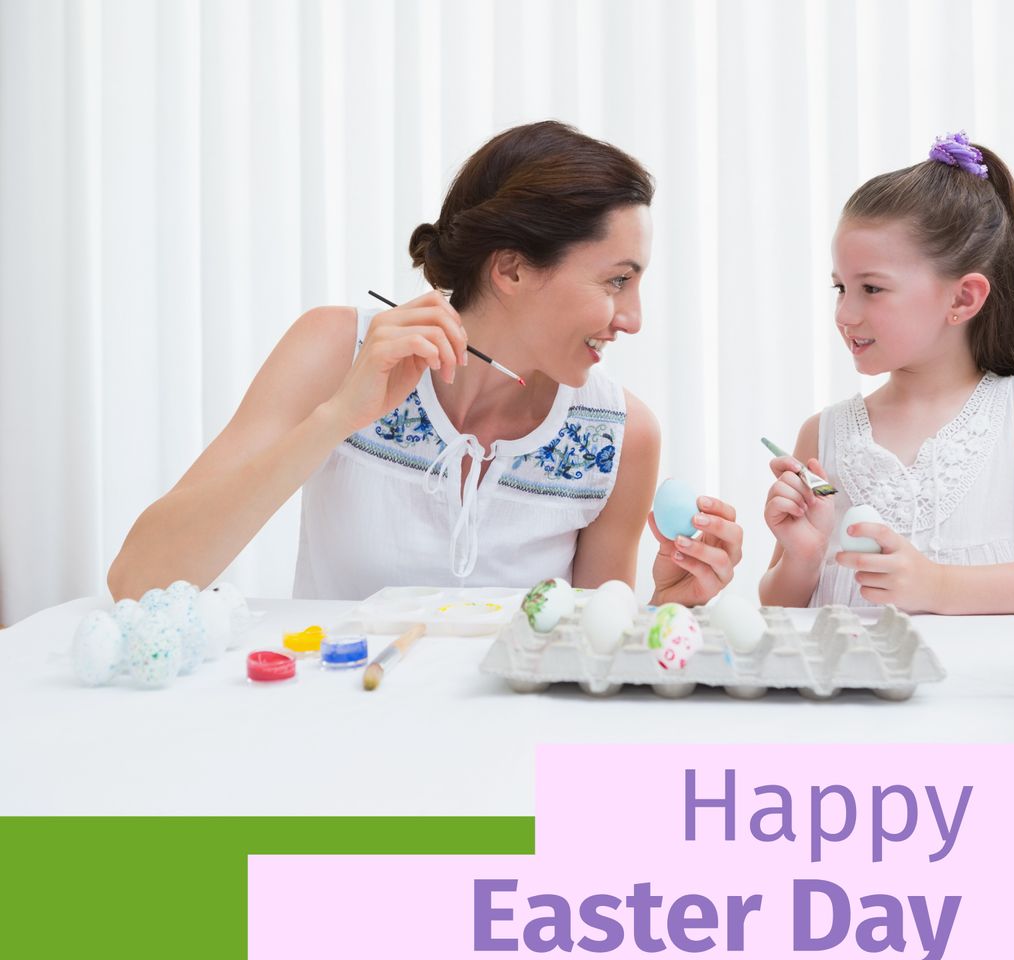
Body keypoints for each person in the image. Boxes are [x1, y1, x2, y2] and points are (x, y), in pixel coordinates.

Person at [108, 121, 742, 604]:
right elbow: (140, 581)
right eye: (615, 282)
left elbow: (584, 656)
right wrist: (336, 417)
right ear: (513, 267)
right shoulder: (337, 351)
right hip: (331, 738)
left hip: (504, 761)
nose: (633, 318)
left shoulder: (621, 435)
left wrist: (663, 605)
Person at [760, 131, 1014, 613]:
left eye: (871, 288)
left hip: (974, 688)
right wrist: (803, 557)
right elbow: (779, 610)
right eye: (840, 288)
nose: (845, 314)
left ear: (962, 297)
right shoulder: (822, 435)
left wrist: (938, 586)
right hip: (851, 689)